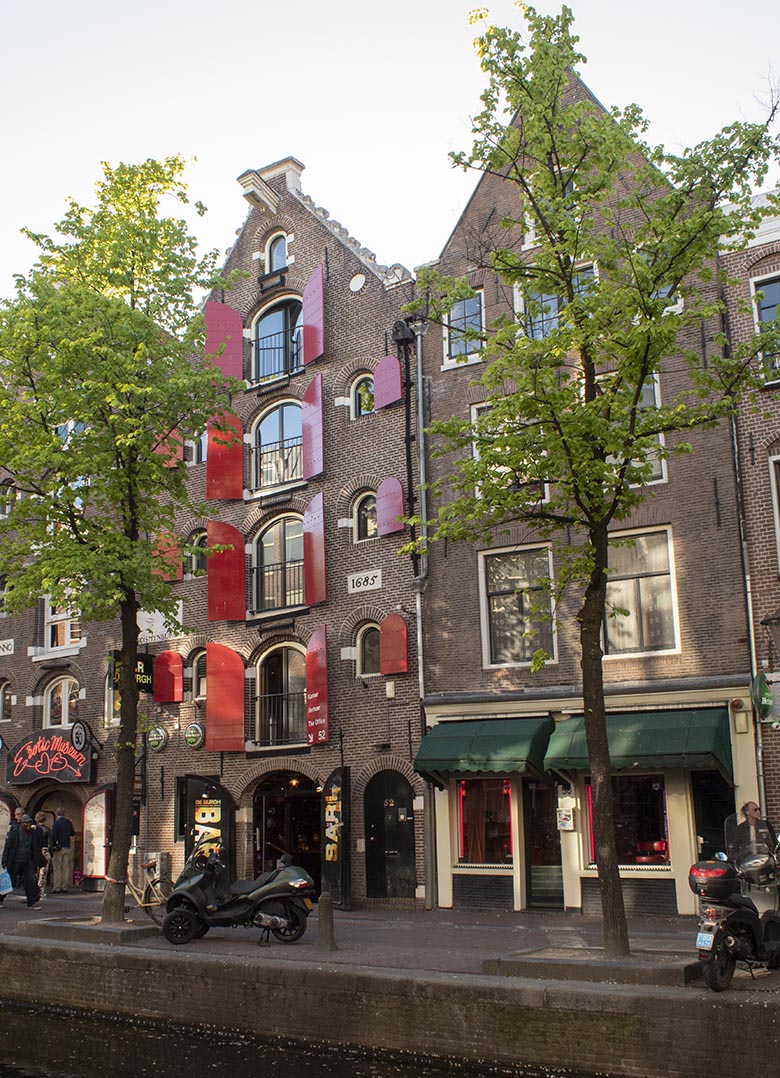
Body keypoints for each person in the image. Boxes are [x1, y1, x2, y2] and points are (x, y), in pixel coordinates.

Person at [1, 814, 45, 909]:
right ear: (22, 823)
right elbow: (8, 847)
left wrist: (38, 861)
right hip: (15, 860)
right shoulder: (15, 832)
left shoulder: (33, 833)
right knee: (9, 881)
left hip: (27, 860)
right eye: (26, 823)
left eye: (29, 823)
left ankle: (31, 902)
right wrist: (4, 860)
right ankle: (0, 898)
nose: (28, 825)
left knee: (31, 881)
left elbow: (35, 848)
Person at [50, 807, 75, 893]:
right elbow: (72, 833)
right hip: (67, 847)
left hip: (58, 848)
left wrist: (52, 846)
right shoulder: (68, 823)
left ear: (57, 814)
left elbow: (53, 835)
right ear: (64, 814)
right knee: (66, 868)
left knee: (57, 868)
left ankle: (57, 887)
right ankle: (64, 887)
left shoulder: (56, 823)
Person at [34, 812, 52, 899]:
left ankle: (34, 890)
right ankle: (41, 891)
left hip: (36, 851)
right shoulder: (47, 829)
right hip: (45, 850)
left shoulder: (34, 829)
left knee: (35, 871)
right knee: (43, 872)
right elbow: (50, 842)